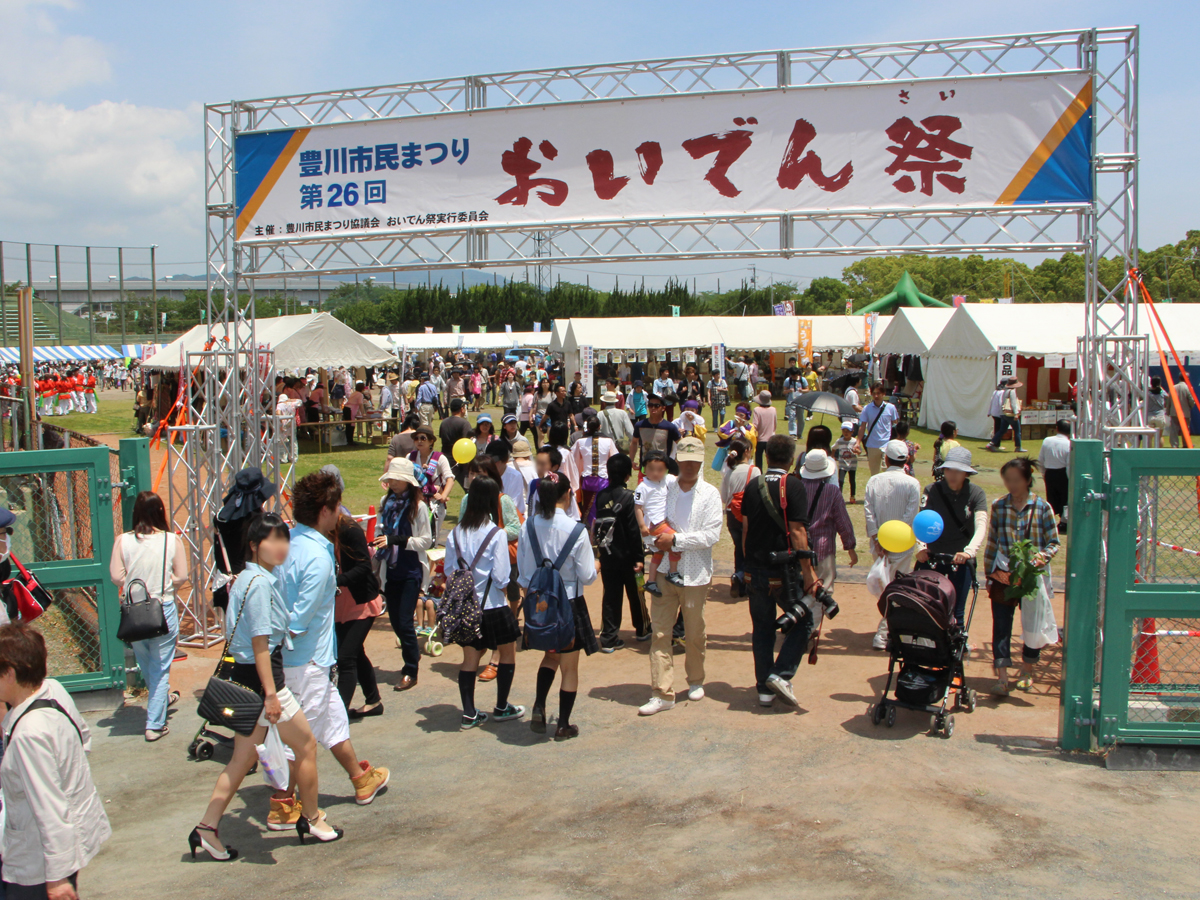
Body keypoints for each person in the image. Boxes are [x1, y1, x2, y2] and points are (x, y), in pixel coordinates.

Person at [194, 513, 341, 856]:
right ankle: (312, 817)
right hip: (264, 684)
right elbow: (261, 644)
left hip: (251, 682)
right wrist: (272, 696)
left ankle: (206, 827)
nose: (279, 547)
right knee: (306, 745)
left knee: (241, 761)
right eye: (270, 540)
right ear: (253, 546)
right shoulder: (259, 584)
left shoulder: (248, 578)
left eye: (283, 539)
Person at [281, 472, 390, 808]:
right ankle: (284, 802)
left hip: (312, 660)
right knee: (303, 741)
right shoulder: (316, 555)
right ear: (326, 510)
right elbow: (298, 619)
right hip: (306, 661)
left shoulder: (290, 544)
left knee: (334, 723)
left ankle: (360, 779)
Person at [0, 624, 111, 895]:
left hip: (37, 865)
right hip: (67, 845)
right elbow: (84, 738)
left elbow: (50, 808)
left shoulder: (29, 734)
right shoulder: (54, 691)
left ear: (10, 674)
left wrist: (57, 878)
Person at [637, 437, 722, 716]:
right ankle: (662, 692)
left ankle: (696, 679)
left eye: (694, 461)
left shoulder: (709, 493)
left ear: (701, 461)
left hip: (695, 573)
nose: (688, 465)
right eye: (684, 460)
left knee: (695, 631)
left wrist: (675, 541)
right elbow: (643, 508)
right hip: (663, 571)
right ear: (677, 461)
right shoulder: (665, 485)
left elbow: (711, 535)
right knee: (660, 632)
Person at [739, 434, 821, 708]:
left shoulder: (753, 485)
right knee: (804, 619)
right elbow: (798, 532)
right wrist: (809, 573)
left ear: (768, 456)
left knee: (761, 629)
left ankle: (764, 689)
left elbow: (746, 530)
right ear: (790, 458)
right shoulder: (793, 486)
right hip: (784, 571)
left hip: (755, 569)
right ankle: (781, 673)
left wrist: (746, 565)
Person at [517, 472, 599, 739]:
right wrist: (597, 565)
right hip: (569, 604)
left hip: (540, 603)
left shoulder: (527, 526)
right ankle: (563, 724)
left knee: (550, 656)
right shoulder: (576, 530)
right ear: (567, 495)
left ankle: (539, 705)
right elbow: (587, 576)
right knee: (569, 666)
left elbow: (524, 573)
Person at [444, 476, 525, 728]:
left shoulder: (455, 533)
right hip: (494, 606)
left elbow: (449, 571)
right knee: (508, 654)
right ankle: (501, 706)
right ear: (491, 502)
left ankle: (469, 713)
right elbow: (502, 576)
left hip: (467, 608)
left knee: (469, 660)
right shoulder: (496, 533)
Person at [108, 491, 189, 741]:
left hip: (134, 612)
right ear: (160, 512)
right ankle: (154, 724)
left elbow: (116, 576)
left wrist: (133, 581)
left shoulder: (123, 540)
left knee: (148, 665)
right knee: (161, 668)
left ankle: (161, 698)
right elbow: (181, 577)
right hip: (162, 608)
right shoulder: (170, 540)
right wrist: (164, 584)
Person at [984, 457, 1060, 695]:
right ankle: (1002, 677)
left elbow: (1053, 542)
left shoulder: (1043, 507)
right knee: (1002, 623)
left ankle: (1027, 670)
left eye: (1016, 480)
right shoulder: (999, 505)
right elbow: (993, 541)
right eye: (1007, 480)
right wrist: (989, 574)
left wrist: (1042, 557)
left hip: (1031, 575)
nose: (1011, 485)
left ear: (1028, 480)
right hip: (1003, 572)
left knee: (1033, 623)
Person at [374, 457, 434, 692]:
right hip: (390, 568)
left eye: (395, 478)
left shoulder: (419, 506)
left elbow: (426, 541)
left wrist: (397, 540)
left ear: (406, 481)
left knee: (405, 621)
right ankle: (412, 653)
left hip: (410, 569)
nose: (390, 481)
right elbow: (381, 530)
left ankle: (410, 670)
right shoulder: (385, 501)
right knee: (396, 621)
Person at [914, 447, 988, 626]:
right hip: (933, 557)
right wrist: (921, 547)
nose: (953, 475)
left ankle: (957, 646)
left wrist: (969, 552)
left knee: (957, 611)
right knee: (927, 606)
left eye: (958, 471)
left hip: (961, 560)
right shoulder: (931, 490)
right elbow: (922, 521)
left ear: (966, 473)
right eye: (949, 470)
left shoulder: (976, 493)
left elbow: (981, 524)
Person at [864, 439, 922, 650]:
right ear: (906, 459)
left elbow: (869, 512)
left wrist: (877, 539)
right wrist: (890, 540)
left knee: (889, 587)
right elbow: (910, 515)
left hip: (880, 545)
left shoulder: (874, 481)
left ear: (886, 459)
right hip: (901, 544)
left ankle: (887, 629)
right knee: (896, 587)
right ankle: (887, 631)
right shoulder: (912, 483)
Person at [594, 453, 650, 651]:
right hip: (629, 558)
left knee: (611, 597)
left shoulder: (600, 496)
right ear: (628, 475)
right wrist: (639, 557)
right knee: (637, 594)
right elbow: (634, 531)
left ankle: (608, 637)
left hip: (608, 556)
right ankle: (642, 628)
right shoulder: (630, 497)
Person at [333, 509, 384, 719]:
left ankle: (337, 715)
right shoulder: (321, 530)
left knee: (346, 657)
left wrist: (337, 581)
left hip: (361, 601)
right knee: (355, 652)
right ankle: (373, 701)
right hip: (341, 603)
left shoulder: (350, 529)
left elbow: (364, 566)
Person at [798, 449, 857, 596]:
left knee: (801, 591)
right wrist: (850, 547)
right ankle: (816, 619)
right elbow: (843, 521)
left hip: (798, 548)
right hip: (823, 548)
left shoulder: (795, 489)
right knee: (823, 592)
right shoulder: (832, 491)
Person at [634, 451, 679, 596]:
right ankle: (673, 573)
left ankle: (651, 582)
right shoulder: (643, 486)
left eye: (660, 470)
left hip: (662, 522)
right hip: (656, 524)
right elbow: (638, 508)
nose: (655, 473)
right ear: (644, 469)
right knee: (676, 542)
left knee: (658, 554)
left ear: (666, 470)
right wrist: (642, 526)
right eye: (651, 469)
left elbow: (680, 480)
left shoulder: (667, 479)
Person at [720, 438, 756, 597]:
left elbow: (723, 496)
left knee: (738, 548)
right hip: (748, 515)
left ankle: (738, 577)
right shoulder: (754, 471)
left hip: (731, 514)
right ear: (747, 451)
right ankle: (744, 578)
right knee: (749, 549)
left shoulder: (729, 472)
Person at [410, 424, 455, 541]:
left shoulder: (439, 458)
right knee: (414, 536)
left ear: (431, 441)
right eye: (416, 438)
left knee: (431, 539)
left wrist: (443, 496)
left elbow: (450, 478)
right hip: (414, 503)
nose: (419, 441)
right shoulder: (410, 457)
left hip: (434, 505)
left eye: (423, 438)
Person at [572, 416, 619, 526]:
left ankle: (589, 529)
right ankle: (602, 528)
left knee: (588, 507)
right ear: (599, 427)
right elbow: (615, 459)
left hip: (587, 480)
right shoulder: (608, 441)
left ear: (587, 427)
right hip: (604, 480)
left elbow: (573, 460)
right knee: (602, 506)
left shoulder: (580, 442)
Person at [629, 394, 682, 474]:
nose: (653, 408)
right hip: (645, 469)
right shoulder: (640, 425)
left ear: (663, 408)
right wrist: (632, 460)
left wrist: (678, 460)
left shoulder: (670, 427)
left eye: (657, 406)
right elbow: (634, 442)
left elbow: (681, 444)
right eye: (650, 405)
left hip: (663, 469)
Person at [1037, 418, 1073, 534]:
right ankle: (1064, 522)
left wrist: (1043, 473)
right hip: (1063, 474)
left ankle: (1049, 522)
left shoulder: (1047, 440)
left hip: (1050, 473)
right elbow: (1069, 464)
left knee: (1051, 498)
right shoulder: (1069, 444)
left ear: (1057, 428)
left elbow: (1040, 460)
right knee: (1065, 499)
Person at [857, 382, 899, 476]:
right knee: (874, 473)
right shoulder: (867, 408)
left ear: (883, 394)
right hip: (872, 444)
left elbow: (895, 424)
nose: (876, 396)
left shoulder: (891, 408)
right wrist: (858, 442)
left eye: (878, 393)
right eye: (874, 393)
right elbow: (862, 426)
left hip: (886, 444)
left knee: (888, 471)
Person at [984, 377, 1024, 453]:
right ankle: (1018, 447)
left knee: (1002, 430)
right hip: (1010, 414)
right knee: (1017, 430)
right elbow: (1013, 403)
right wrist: (1016, 413)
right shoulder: (1011, 391)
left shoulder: (1004, 391)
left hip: (1004, 414)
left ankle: (991, 443)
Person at [597, 389, 633, 454]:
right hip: (619, 446)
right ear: (615, 402)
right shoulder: (622, 413)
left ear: (604, 402)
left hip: (604, 447)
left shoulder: (600, 414)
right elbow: (630, 432)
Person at [832, 421, 859, 504]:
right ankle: (839, 496)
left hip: (852, 464)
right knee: (841, 480)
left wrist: (856, 450)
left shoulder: (854, 441)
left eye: (848, 431)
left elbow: (859, 451)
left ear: (852, 432)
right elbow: (833, 448)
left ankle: (852, 496)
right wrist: (832, 456)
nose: (846, 433)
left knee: (852, 480)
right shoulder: (839, 441)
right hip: (842, 464)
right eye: (844, 431)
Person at [751, 390, 777, 472]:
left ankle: (759, 475)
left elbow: (755, 425)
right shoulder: (773, 410)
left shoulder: (757, 410)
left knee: (758, 460)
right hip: (771, 439)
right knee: (771, 459)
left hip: (759, 439)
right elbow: (775, 424)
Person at [1168, 377, 1195, 447]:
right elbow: (1191, 400)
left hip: (1174, 412)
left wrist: (1168, 410)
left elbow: (1169, 400)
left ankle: (1174, 445)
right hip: (1185, 412)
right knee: (1185, 430)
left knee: (1174, 430)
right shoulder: (1188, 387)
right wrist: (1190, 407)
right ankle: (1186, 444)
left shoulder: (1173, 387)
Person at [1147, 376, 1169, 443]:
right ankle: (1159, 451)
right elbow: (1168, 396)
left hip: (1150, 416)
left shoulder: (1148, 393)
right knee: (1159, 437)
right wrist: (1160, 387)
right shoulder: (1162, 392)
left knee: (1149, 437)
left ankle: (1149, 452)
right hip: (1160, 415)